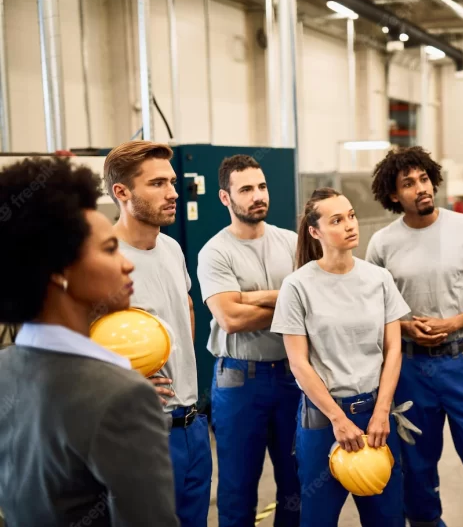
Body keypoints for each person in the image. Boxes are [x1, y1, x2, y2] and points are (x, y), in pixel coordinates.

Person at [0, 157, 179, 526]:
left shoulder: (6, 367)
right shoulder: (121, 395)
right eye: (110, 249)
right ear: (60, 272)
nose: (127, 264)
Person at [365, 146, 463, 527]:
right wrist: (403, 325)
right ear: (394, 195)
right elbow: (373, 309)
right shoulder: (382, 244)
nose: (422, 188)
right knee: (416, 468)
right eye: (409, 183)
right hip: (410, 369)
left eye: (425, 179)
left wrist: (454, 322)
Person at [270, 188, 410, 527]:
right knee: (318, 519)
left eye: (350, 215)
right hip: (323, 423)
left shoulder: (379, 279)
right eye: (336, 220)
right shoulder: (297, 286)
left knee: (387, 518)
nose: (350, 225)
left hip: (375, 417)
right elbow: (299, 363)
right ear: (315, 232)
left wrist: (380, 413)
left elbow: (393, 350)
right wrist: (337, 419)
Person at [104, 141, 212, 527]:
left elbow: (184, 309)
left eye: (172, 182)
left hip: (193, 426)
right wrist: (121, 387)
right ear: (122, 192)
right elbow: (74, 353)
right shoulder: (103, 262)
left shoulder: (171, 248)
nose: (172, 193)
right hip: (141, 433)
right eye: (157, 184)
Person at [197, 155, 301, 527]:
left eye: (262, 186)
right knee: (237, 490)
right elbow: (229, 318)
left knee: (297, 484)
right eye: (246, 189)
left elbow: (313, 305)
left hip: (294, 376)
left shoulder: (292, 243)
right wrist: (288, 300)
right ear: (225, 198)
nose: (258, 196)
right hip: (240, 380)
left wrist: (250, 296)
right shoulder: (215, 252)